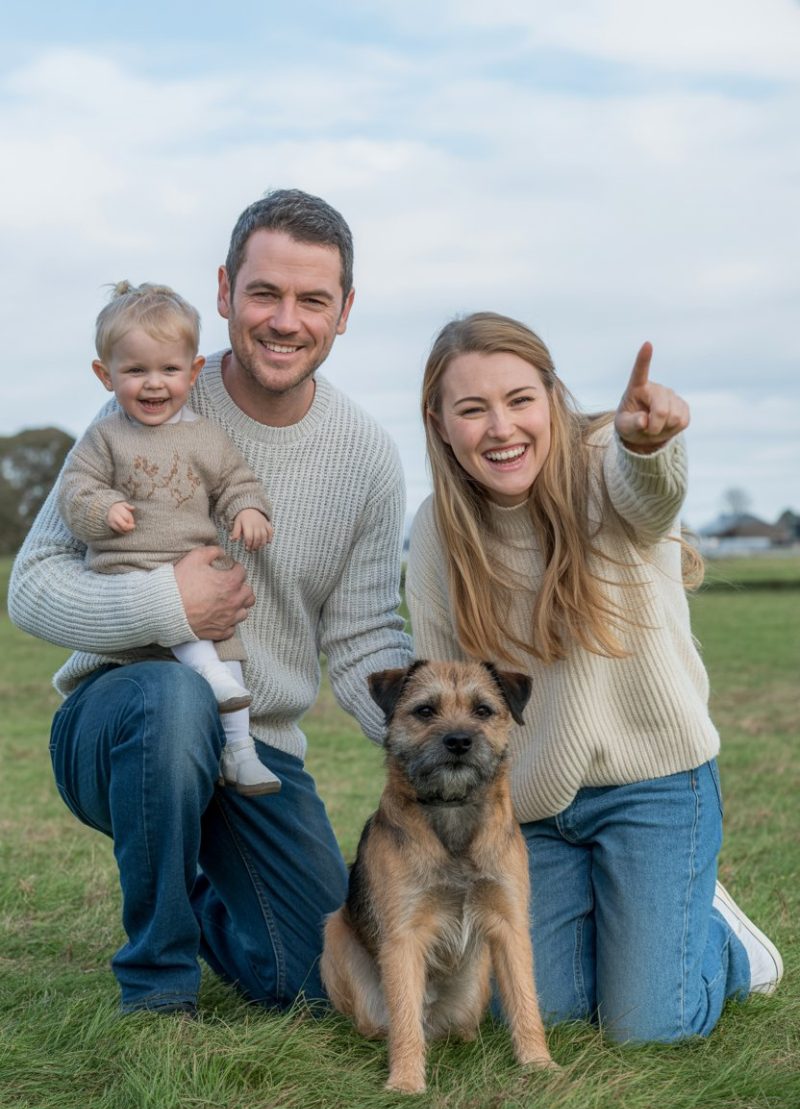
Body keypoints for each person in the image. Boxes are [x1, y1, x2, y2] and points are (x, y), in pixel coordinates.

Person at [9, 189, 412, 1016]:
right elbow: (33, 583)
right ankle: (156, 985)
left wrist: (435, 744)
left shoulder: (367, 456)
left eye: (313, 300)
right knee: (172, 694)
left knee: (321, 984)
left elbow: (369, 633)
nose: (285, 320)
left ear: (345, 313)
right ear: (226, 292)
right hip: (122, 725)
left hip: (257, 753)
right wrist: (167, 605)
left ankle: (192, 884)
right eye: (265, 293)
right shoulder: (148, 402)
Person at [406, 310, 783, 1043]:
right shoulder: (436, 529)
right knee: (527, 1005)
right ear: (439, 422)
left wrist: (651, 446)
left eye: (519, 399)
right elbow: (447, 693)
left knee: (649, 1028)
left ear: (551, 397)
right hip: (538, 810)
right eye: (473, 408)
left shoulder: (607, 461)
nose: (500, 427)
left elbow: (650, 492)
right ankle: (631, 918)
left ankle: (727, 943)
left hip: (655, 786)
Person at [58, 279, 280, 796]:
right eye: (135, 371)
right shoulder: (105, 435)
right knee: (190, 629)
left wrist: (247, 509)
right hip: (134, 570)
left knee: (232, 665)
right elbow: (74, 489)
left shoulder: (205, 435)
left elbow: (234, 481)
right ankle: (209, 679)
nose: (153, 384)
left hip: (199, 569)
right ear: (104, 375)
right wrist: (102, 506)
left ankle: (241, 755)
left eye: (168, 370)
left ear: (194, 370)